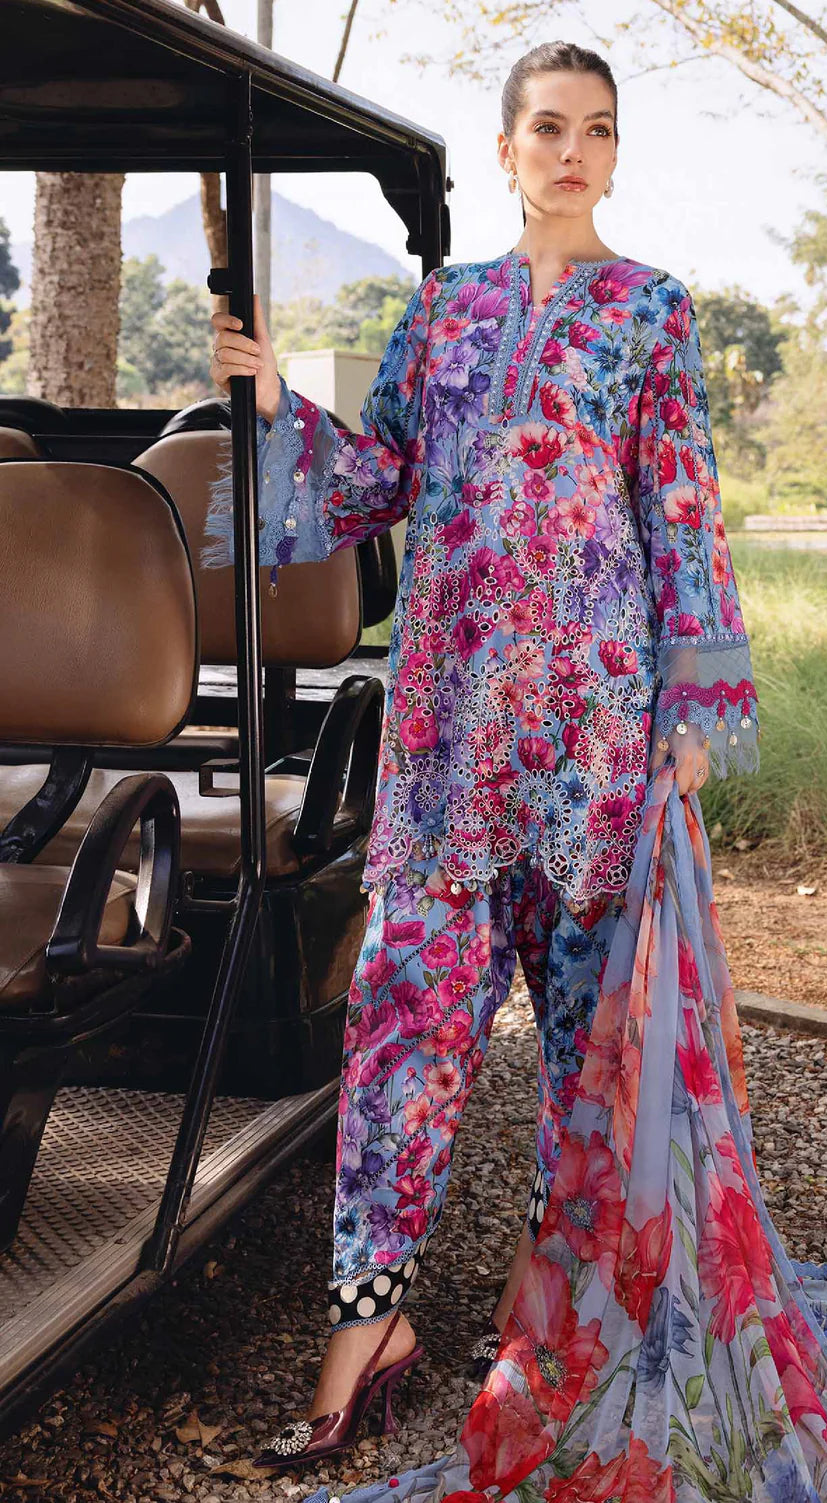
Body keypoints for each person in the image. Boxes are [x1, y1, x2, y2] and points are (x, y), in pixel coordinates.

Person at [208, 39, 759, 1472]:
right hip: (449, 729)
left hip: (595, 728)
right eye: (549, 128)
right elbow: (379, 477)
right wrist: (274, 407)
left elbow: (681, 508)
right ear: (507, 148)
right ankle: (368, 1323)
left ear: (615, 153)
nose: (574, 153)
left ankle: (546, 1316)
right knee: (404, 1013)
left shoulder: (654, 312)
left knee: (589, 1040)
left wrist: (691, 719)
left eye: (599, 130)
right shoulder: (445, 308)